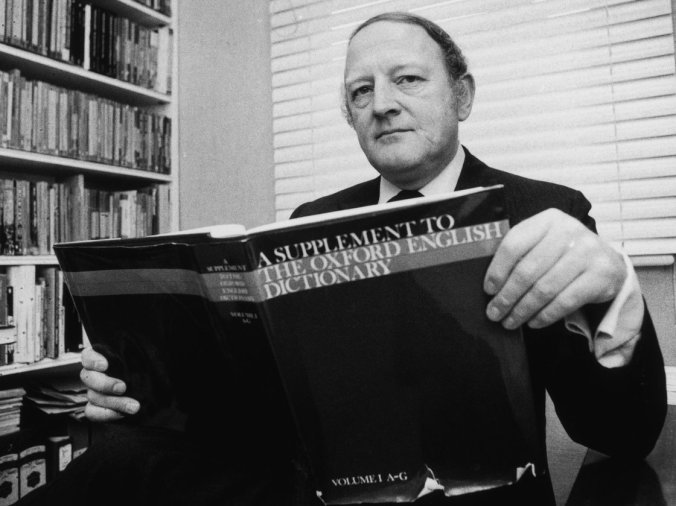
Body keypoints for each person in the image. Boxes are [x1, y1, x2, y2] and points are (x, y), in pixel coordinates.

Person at [22, 11, 667, 506]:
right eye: (361, 91)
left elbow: (623, 435)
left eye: (407, 79)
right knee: (123, 454)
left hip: (472, 492)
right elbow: (265, 410)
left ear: (462, 97)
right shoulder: (311, 220)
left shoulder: (544, 212)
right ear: (351, 116)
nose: (381, 103)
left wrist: (613, 298)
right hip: (313, 489)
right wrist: (141, 387)